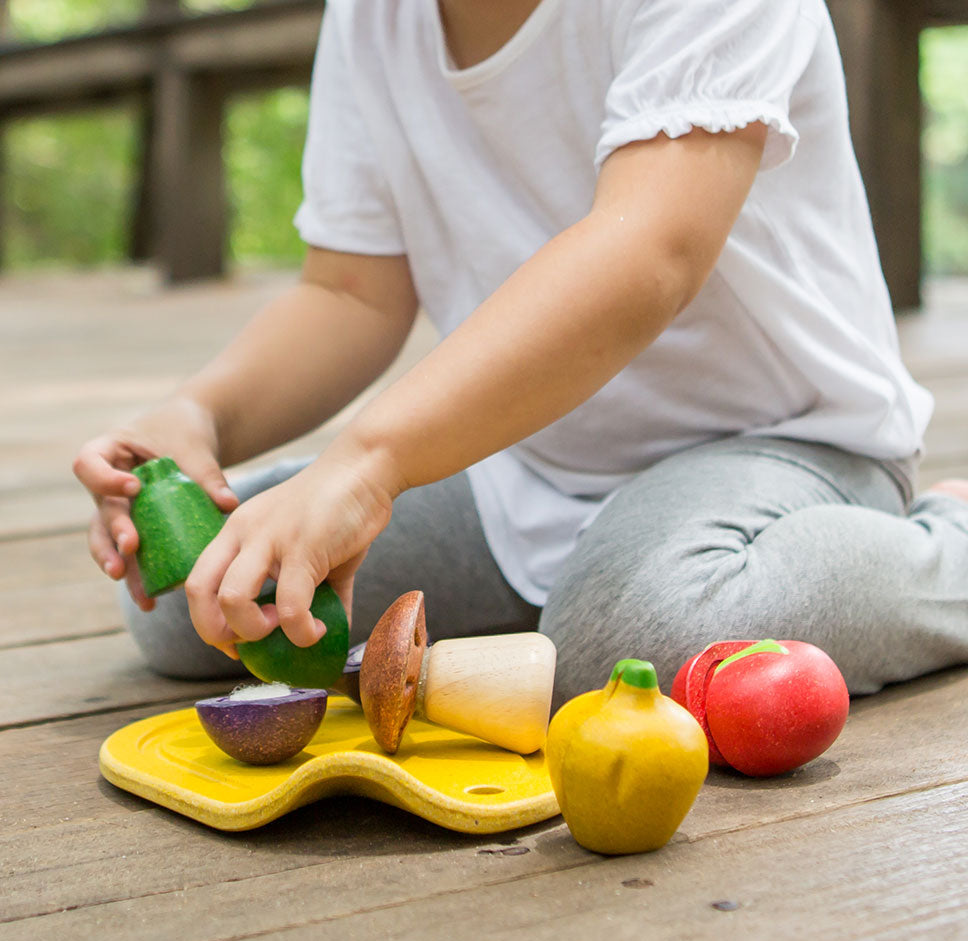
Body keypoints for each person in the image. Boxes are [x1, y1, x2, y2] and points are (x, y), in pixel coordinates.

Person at [74, 0, 968, 710]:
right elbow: (349, 293)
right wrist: (201, 416)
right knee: (205, 602)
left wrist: (368, 462)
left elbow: (650, 248)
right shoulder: (371, 16)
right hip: (532, 457)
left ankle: (945, 548)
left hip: (785, 448)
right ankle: (585, 576)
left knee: (626, 637)